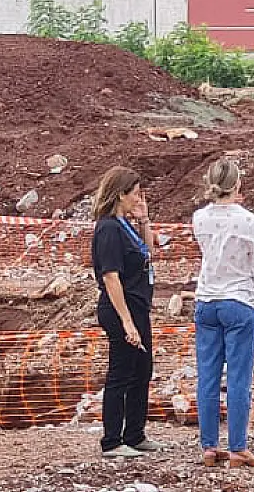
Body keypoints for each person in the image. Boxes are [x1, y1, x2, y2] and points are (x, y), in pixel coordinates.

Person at [192, 159, 254, 468]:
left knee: (208, 376)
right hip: (239, 299)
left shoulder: (199, 218)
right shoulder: (248, 221)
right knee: (239, 377)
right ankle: (238, 446)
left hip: (207, 299)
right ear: (237, 185)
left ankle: (209, 446)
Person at [91, 166, 167, 458]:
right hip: (121, 309)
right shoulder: (109, 228)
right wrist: (126, 321)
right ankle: (111, 440)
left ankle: (135, 434)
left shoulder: (125, 225)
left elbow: (147, 253)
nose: (139, 198)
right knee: (121, 372)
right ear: (120, 194)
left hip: (137, 306)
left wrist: (145, 220)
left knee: (141, 370)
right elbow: (111, 277)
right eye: (135, 194)